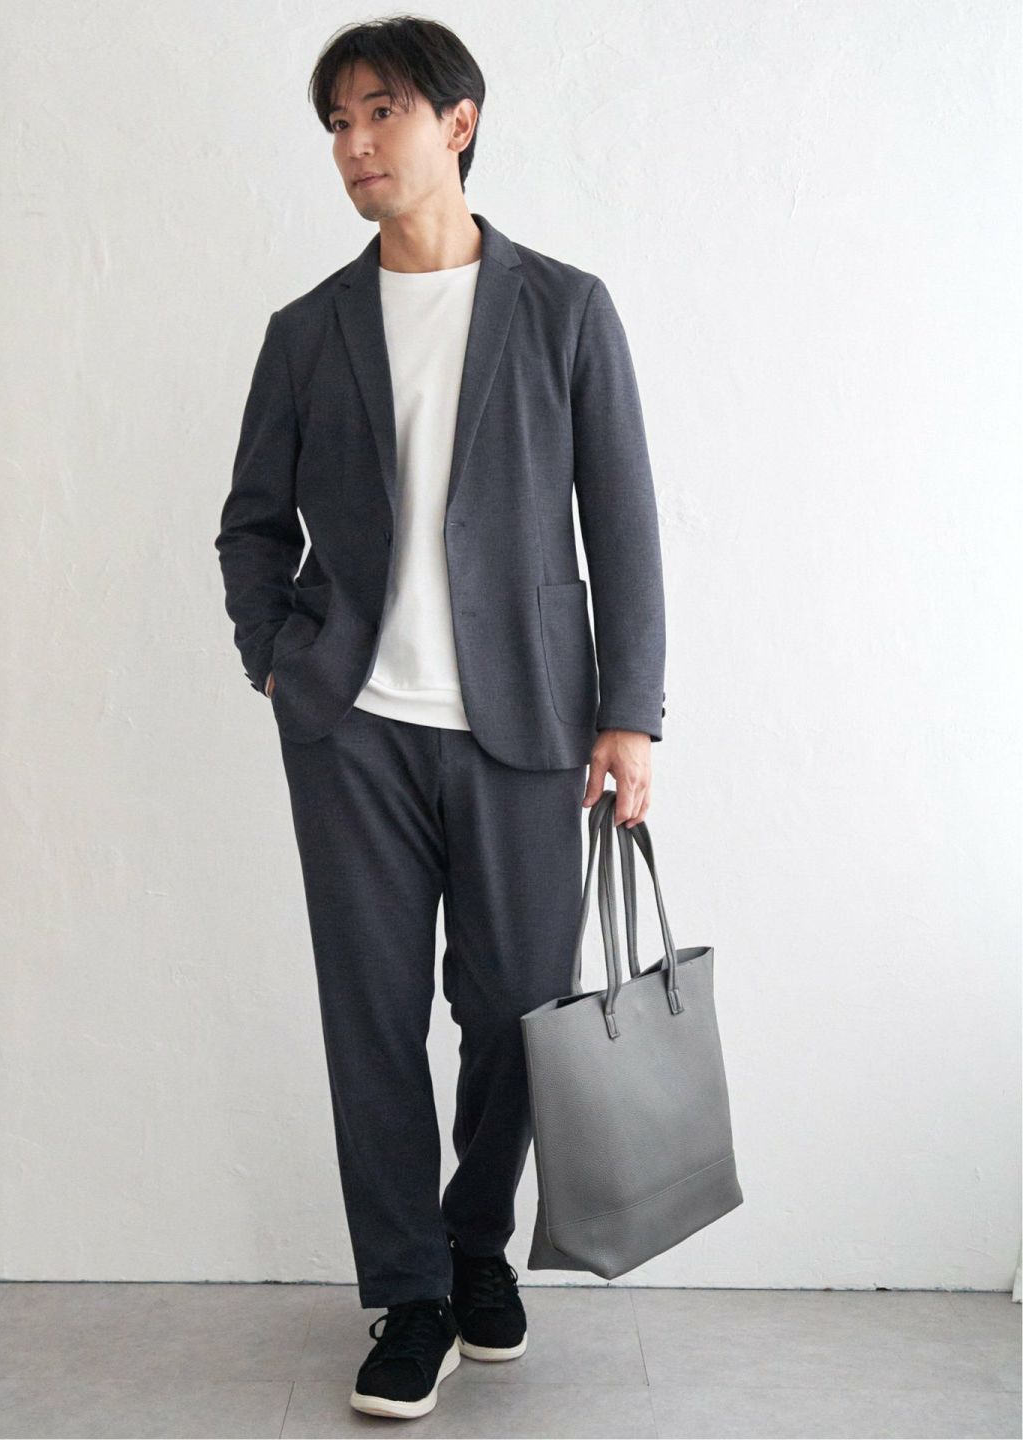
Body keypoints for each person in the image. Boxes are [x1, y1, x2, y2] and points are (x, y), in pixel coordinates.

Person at [214, 15, 666, 1422]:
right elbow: (250, 524)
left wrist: (631, 715)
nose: (354, 145)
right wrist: (275, 661)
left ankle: (478, 1248)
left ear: (458, 123)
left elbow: (624, 523)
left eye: (381, 113)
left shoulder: (564, 309)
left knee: (516, 1012)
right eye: (337, 123)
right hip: (350, 730)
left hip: (525, 726)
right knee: (371, 1019)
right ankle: (408, 1293)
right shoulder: (308, 332)